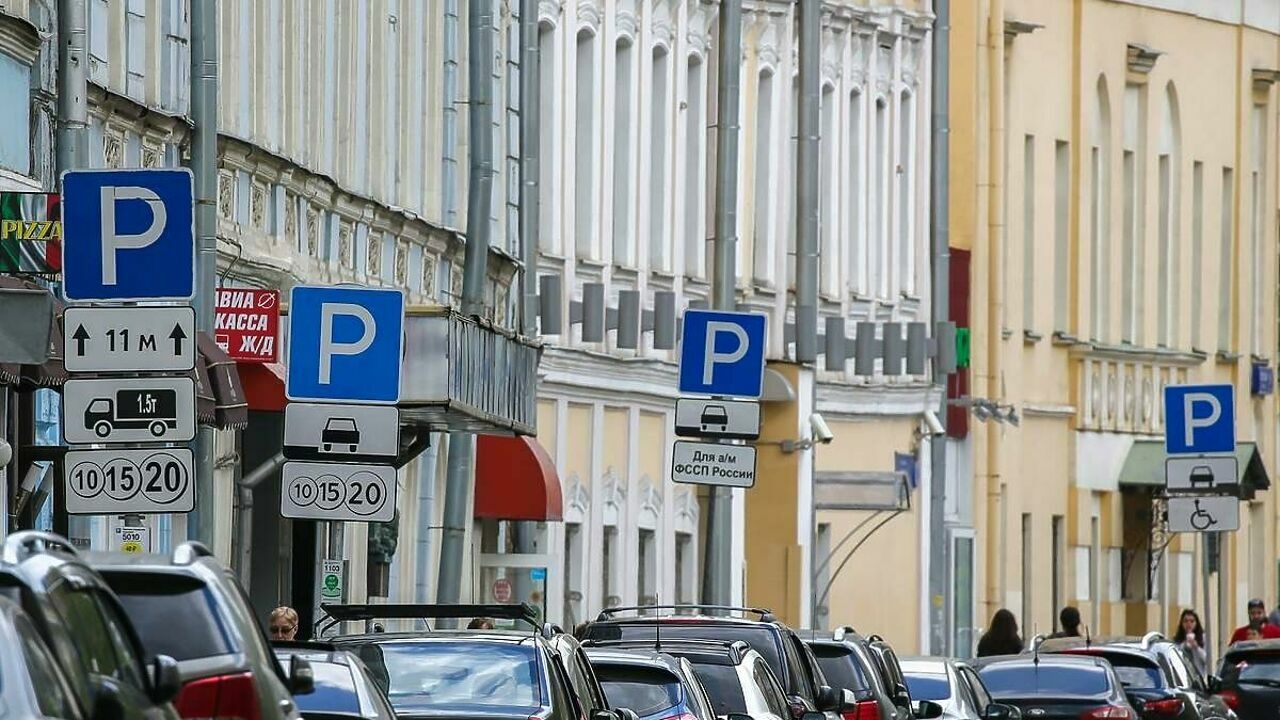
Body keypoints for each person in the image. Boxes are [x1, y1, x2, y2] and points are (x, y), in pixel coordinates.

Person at [1173, 609, 1208, 676]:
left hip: (1199, 676)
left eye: (1192, 621)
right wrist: (1184, 645)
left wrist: (1197, 647)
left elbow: (1207, 659)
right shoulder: (1177, 639)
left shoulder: (1203, 638)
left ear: (1196, 623)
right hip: (1182, 676)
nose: (1188, 624)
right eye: (1185, 621)